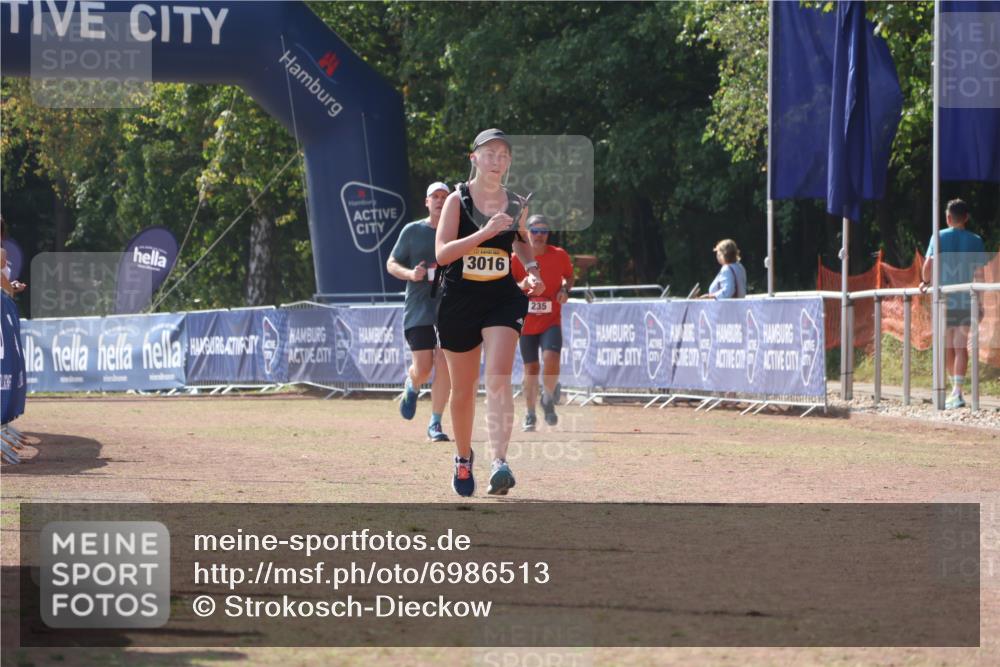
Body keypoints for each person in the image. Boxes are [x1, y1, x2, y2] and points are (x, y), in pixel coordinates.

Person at [435, 129, 544, 496]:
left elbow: (523, 247)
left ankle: (500, 462)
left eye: (503, 155)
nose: (497, 160)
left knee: (498, 378)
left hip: (501, 297)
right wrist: (482, 233)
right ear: (474, 158)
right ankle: (464, 458)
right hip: (459, 299)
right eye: (490, 153)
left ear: (509, 163)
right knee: (462, 392)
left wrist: (532, 271)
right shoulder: (456, 200)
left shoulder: (516, 204)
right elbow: (442, 254)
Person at [387, 182, 453, 441]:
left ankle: (435, 423)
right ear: (427, 202)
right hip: (419, 308)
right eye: (434, 197)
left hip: (449, 307)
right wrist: (411, 274)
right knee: (424, 368)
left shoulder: (457, 232)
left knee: (445, 362)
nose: (439, 200)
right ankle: (412, 384)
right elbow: (391, 263)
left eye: (444, 197)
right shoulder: (413, 231)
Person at [920, 199, 987, 409]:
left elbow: (928, 265)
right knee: (960, 346)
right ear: (966, 217)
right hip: (966, 298)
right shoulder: (976, 240)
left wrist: (925, 281)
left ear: (948, 218)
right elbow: (980, 274)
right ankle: (956, 391)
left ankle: (954, 392)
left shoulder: (938, 236)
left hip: (944, 299)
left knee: (948, 345)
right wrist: (981, 302)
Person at [511, 215, 574, 430]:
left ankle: (547, 398)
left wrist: (565, 290)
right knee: (531, 369)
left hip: (550, 320)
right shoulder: (515, 257)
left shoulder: (559, 255)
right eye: (535, 231)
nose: (539, 235)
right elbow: (507, 286)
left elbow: (569, 276)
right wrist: (523, 284)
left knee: (552, 358)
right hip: (526, 323)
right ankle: (529, 413)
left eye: (544, 231)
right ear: (527, 232)